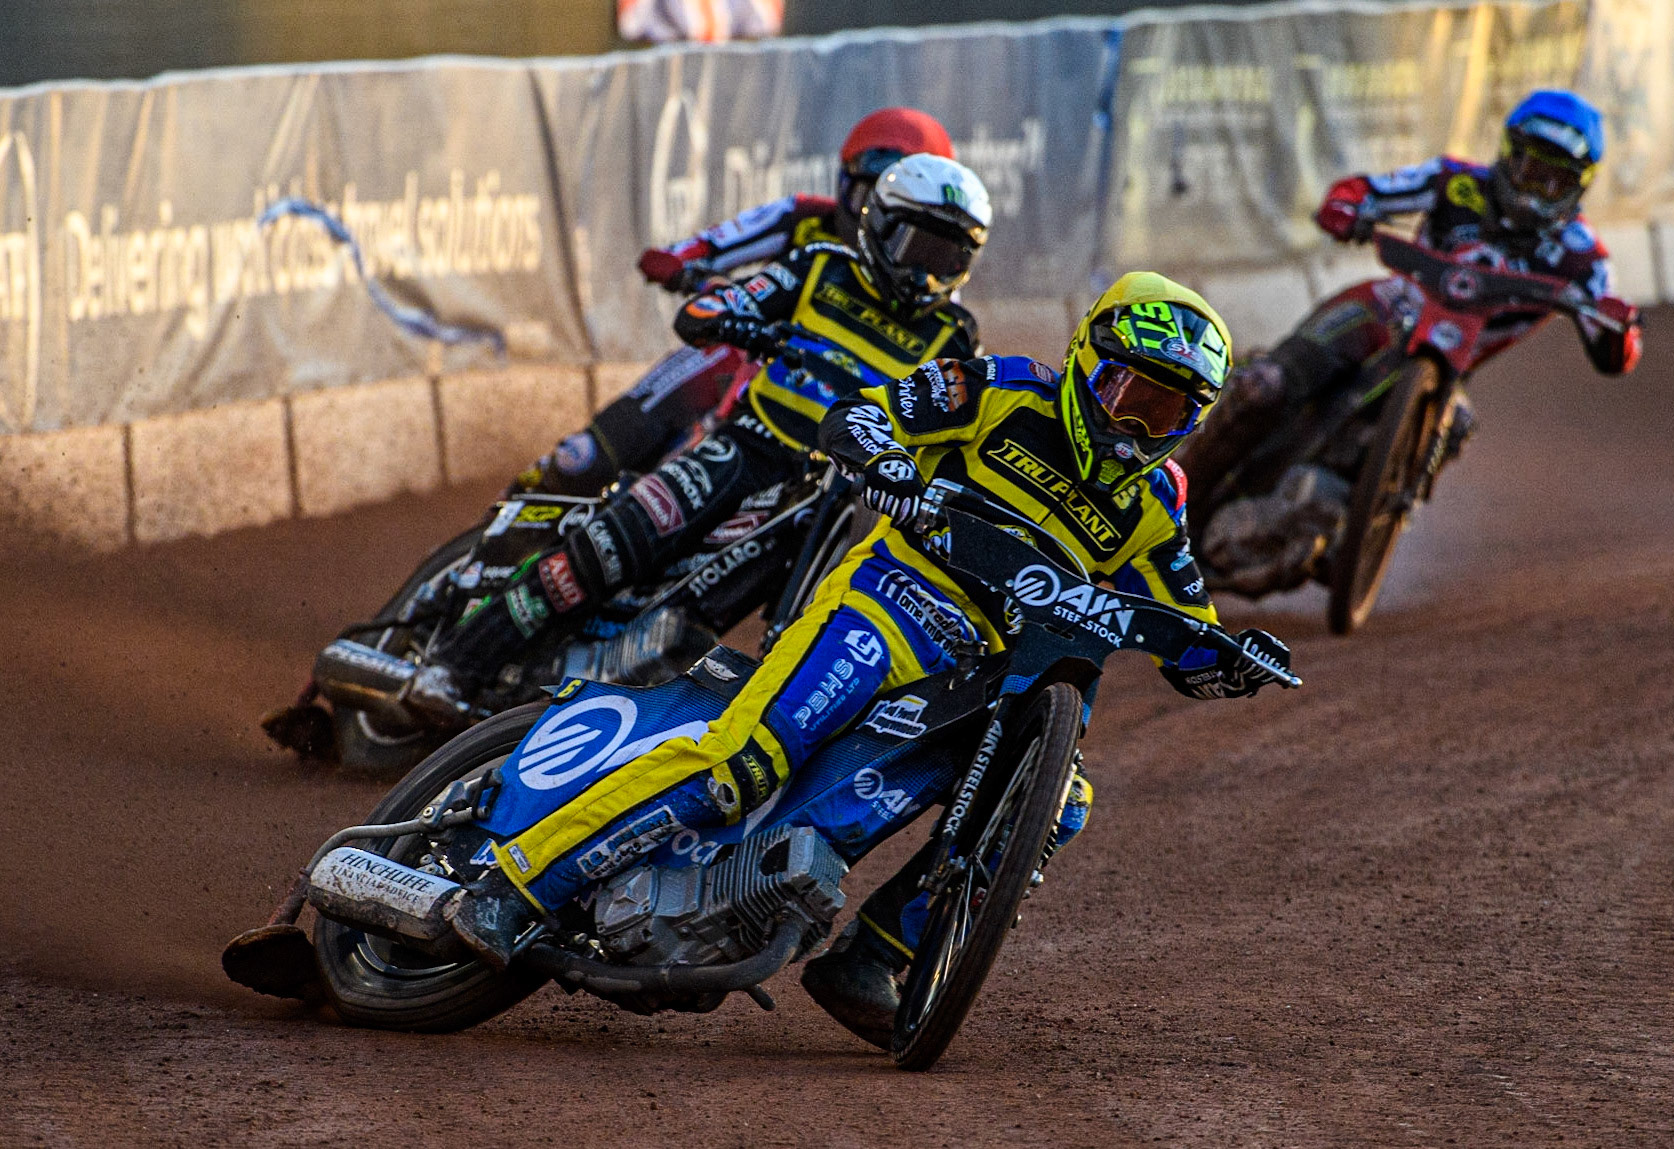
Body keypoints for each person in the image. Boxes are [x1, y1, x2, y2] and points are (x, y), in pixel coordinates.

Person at [440, 273, 1294, 1050]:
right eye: (1127, 391)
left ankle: (872, 957)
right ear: (1085, 358)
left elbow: (1188, 627)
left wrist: (1231, 660)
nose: (1135, 424)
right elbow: (861, 415)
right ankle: (516, 885)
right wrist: (885, 461)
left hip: (985, 683)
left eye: (1166, 412)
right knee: (745, 759)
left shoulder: (1158, 504)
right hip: (888, 608)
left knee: (1059, 804)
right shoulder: (998, 387)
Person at [406, 154, 992, 719]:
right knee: (610, 546)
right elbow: (713, 308)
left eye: (948, 257)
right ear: (879, 227)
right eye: (918, 248)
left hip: (835, 495)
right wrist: (736, 320)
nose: (926, 272)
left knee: (733, 619)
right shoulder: (820, 265)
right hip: (746, 447)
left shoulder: (956, 337)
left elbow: (961, 433)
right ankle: (453, 664)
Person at [1177, 89, 1644, 597]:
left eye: (1557, 179)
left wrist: (1619, 331)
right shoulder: (1454, 181)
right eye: (1533, 170)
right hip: (1385, 309)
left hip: (1448, 371)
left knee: (1456, 424)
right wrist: (1347, 205)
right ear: (1509, 155)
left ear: (1581, 185)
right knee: (1263, 387)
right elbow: (1368, 190)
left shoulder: (1584, 258)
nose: (1539, 191)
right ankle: (1164, 510)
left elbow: (1617, 339)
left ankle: (1372, 518)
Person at [514, 107, 958, 498]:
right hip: (752, 360)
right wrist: (683, 264)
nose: (875, 220)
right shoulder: (805, 218)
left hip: (836, 420)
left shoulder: (937, 294)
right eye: (868, 198)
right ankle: (535, 495)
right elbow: (710, 245)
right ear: (843, 184)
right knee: (592, 454)